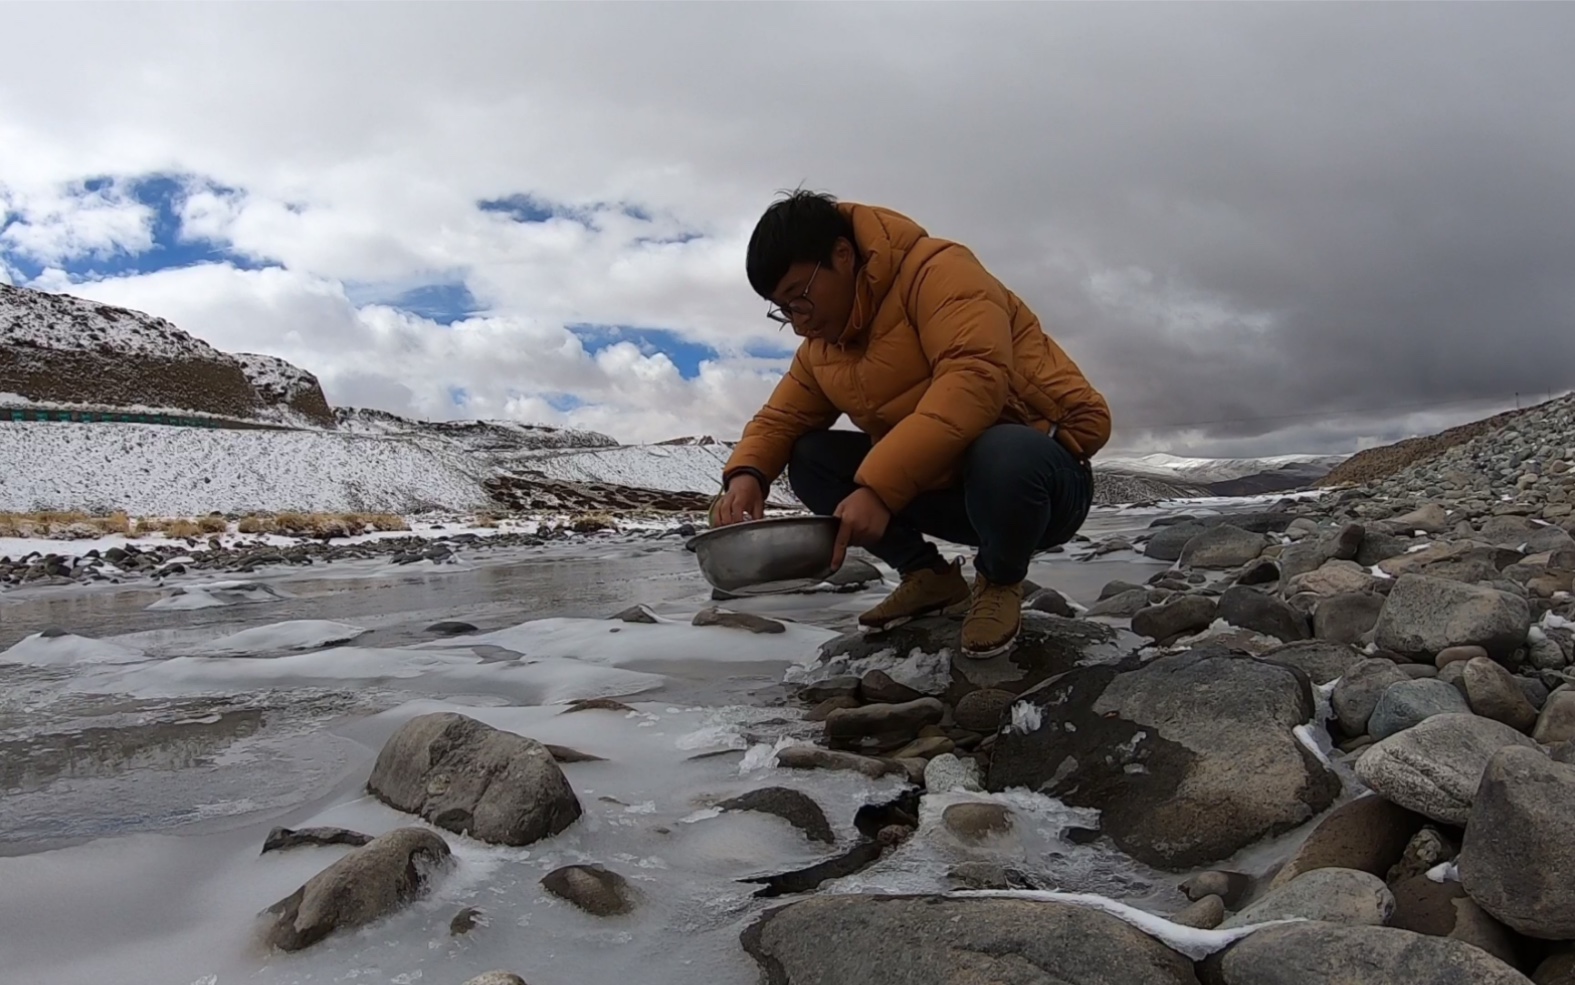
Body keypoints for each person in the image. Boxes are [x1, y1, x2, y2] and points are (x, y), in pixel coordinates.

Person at [712, 190, 1112, 658]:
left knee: (1003, 450)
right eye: (783, 310)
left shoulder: (939, 272)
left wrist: (879, 490)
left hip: (1040, 483)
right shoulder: (824, 347)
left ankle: (1000, 580)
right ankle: (928, 577)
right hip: (949, 490)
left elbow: (974, 380)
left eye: (799, 298)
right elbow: (782, 418)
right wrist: (746, 475)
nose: (798, 324)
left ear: (842, 256)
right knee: (810, 457)